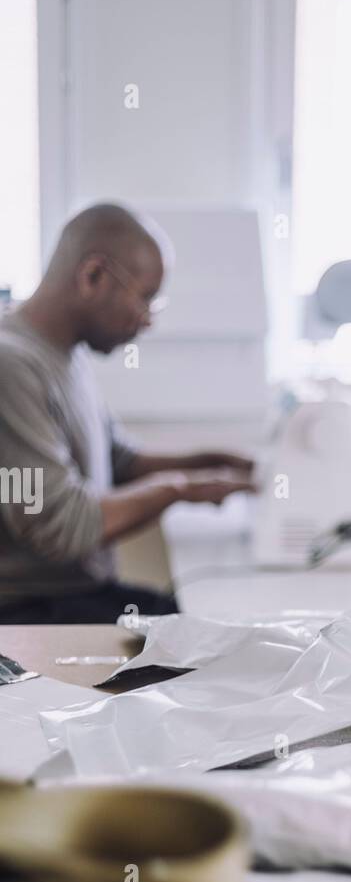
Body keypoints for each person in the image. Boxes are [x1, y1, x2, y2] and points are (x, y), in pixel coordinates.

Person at [0, 202, 256, 623]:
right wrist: (177, 489)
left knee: (205, 621)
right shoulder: (12, 367)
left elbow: (117, 460)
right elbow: (61, 528)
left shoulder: (65, 354)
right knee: (207, 633)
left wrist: (205, 464)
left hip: (70, 596)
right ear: (93, 276)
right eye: (145, 297)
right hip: (28, 612)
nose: (148, 320)